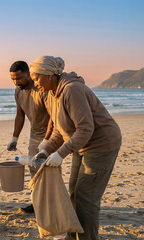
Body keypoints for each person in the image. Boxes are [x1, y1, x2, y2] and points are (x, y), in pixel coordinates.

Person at [30, 56, 122, 240]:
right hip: (82, 145)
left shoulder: (72, 90)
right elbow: (59, 129)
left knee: (86, 198)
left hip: (101, 144)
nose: (35, 83)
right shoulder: (52, 94)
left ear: (49, 75)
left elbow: (86, 128)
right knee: (73, 191)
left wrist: (61, 153)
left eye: (36, 78)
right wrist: (46, 150)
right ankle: (73, 237)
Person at [7, 61, 53, 213]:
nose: (16, 82)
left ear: (28, 74)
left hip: (50, 135)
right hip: (34, 134)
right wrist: (14, 138)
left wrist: (46, 140)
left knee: (48, 171)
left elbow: (53, 117)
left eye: (19, 78)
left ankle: (50, 205)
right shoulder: (18, 91)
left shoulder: (41, 89)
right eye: (13, 79)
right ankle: (37, 203)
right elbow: (20, 116)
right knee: (34, 169)